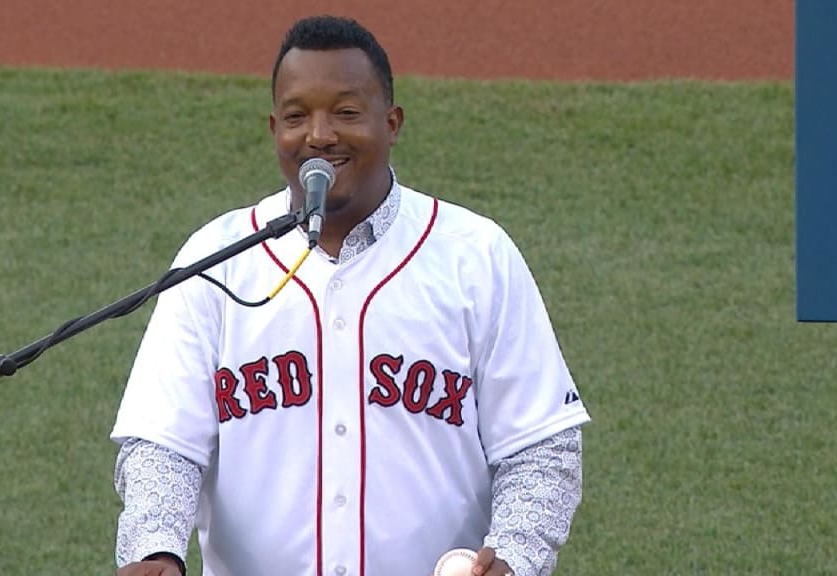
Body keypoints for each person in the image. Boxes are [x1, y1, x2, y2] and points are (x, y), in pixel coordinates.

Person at [110, 15, 590, 576]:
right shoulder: (217, 258)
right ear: (274, 130)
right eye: (296, 116)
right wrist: (155, 545)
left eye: (345, 112)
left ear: (391, 123)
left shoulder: (475, 255)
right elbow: (161, 445)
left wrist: (515, 554)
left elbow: (540, 447)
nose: (319, 135)